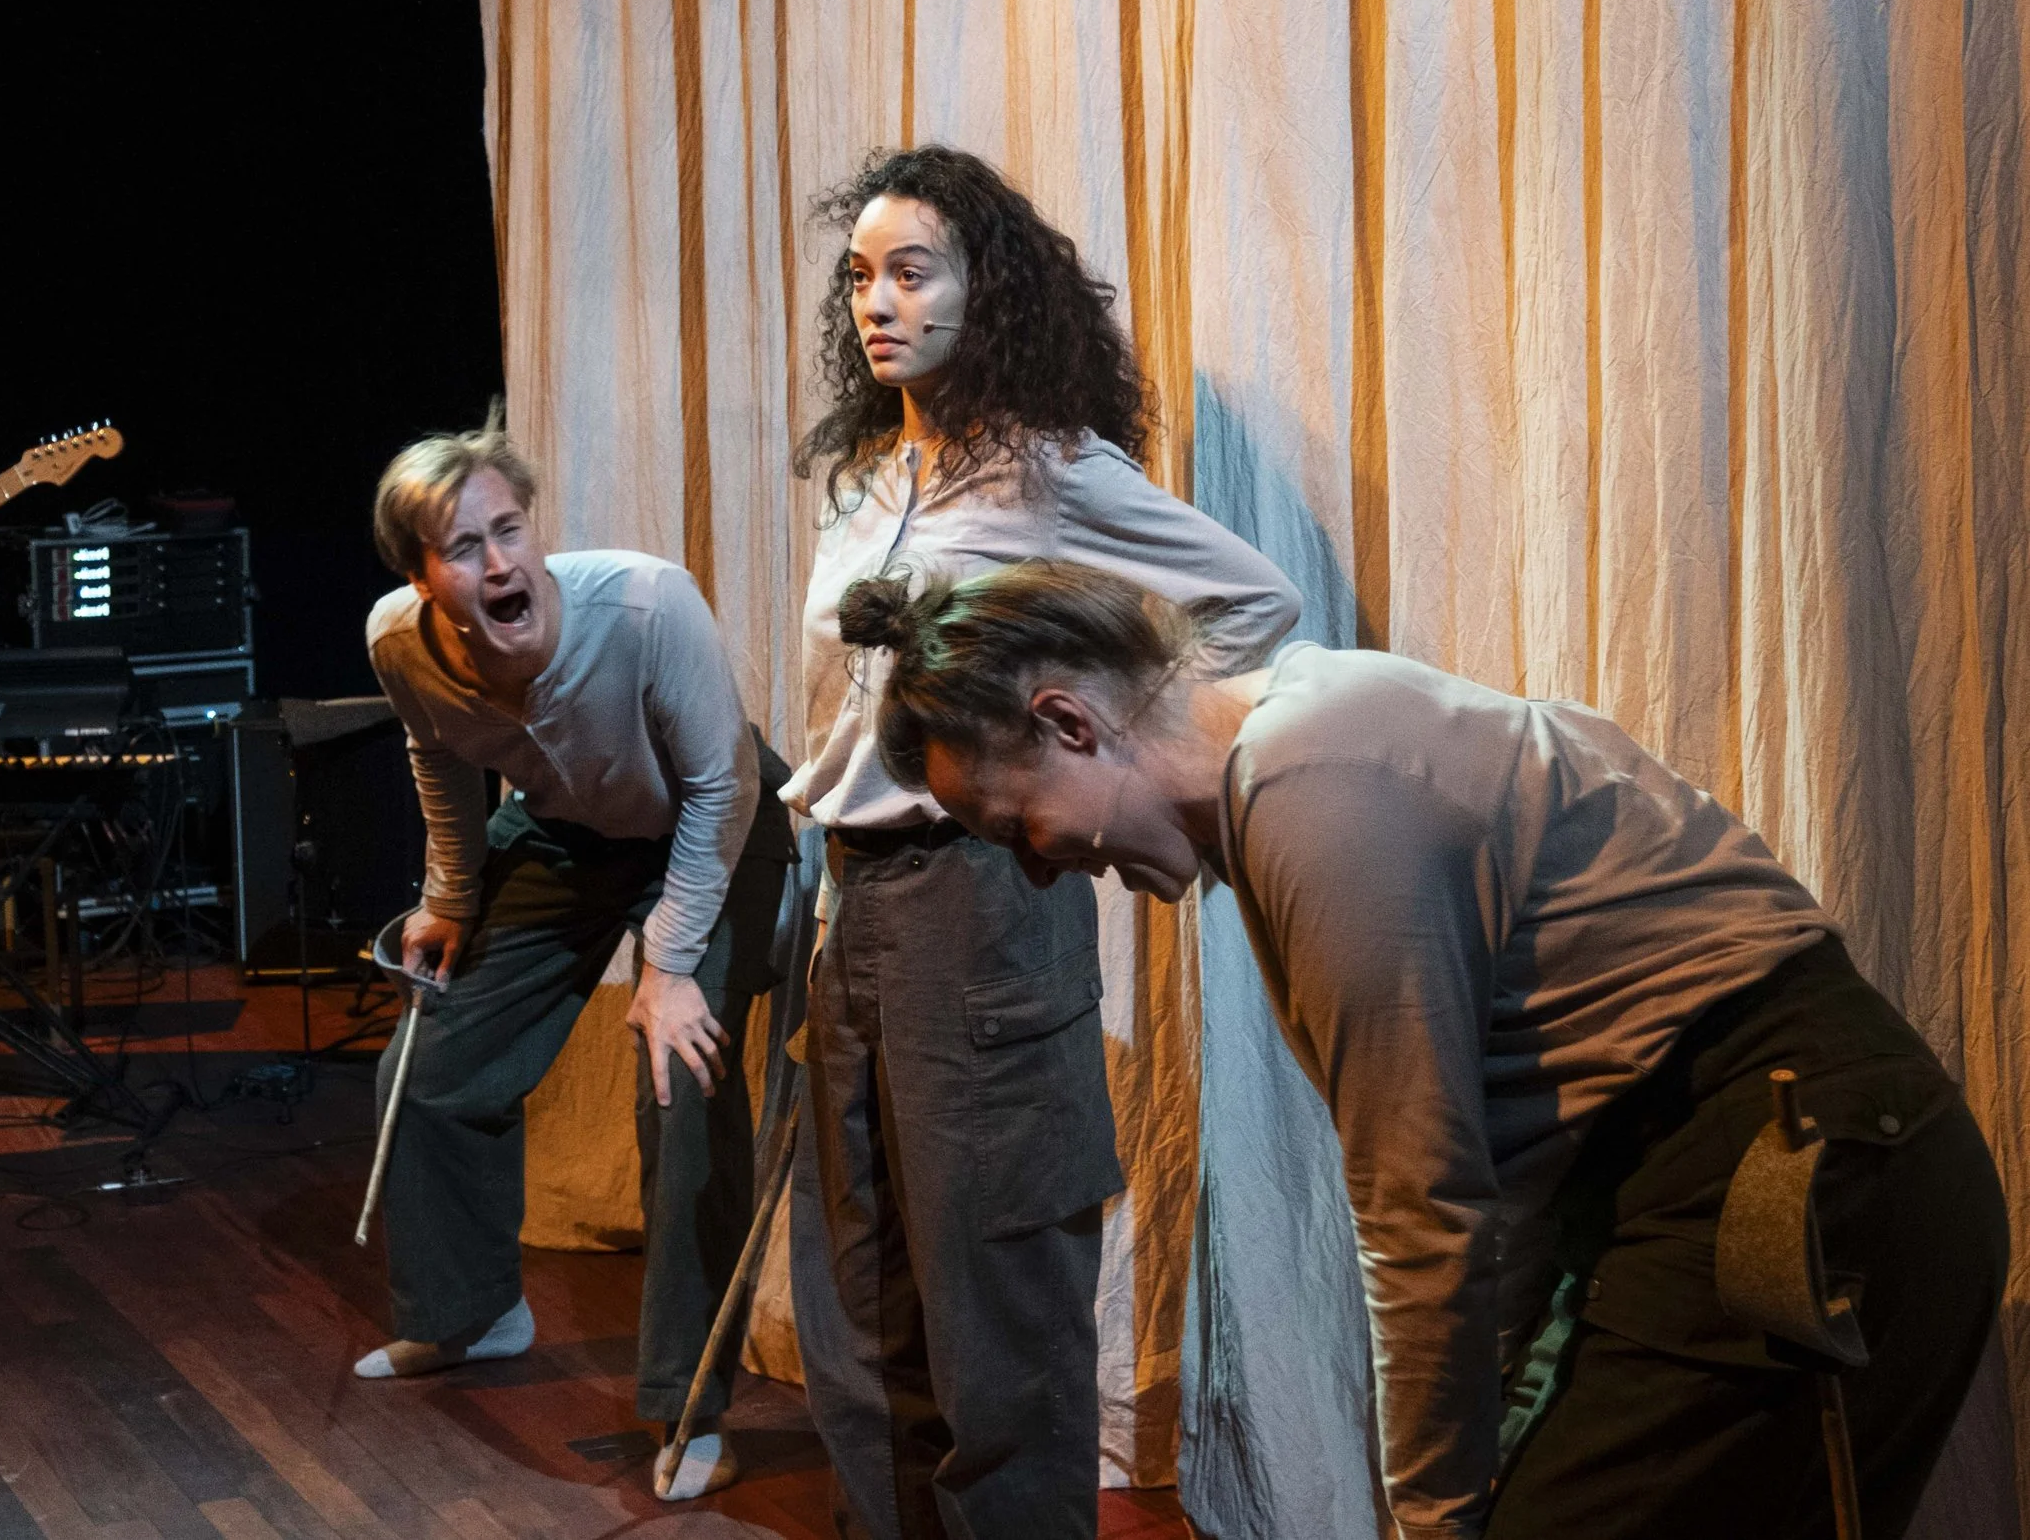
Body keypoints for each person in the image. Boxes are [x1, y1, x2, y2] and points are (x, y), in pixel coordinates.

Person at [841, 558, 2009, 1540]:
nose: (1041, 866)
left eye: (1016, 826)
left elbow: (1425, 1210)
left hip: (1805, 1168)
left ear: (1068, 719)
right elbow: (1500, 1181)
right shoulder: (1302, 743)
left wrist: (1437, 1519)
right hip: (1746, 1159)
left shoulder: (1315, 786)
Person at [781, 145, 1300, 1538]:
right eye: (860, 276)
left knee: (992, 1283)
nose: (877, 301)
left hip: (980, 895)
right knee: (859, 1284)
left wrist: (1101, 742)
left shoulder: (1051, 471)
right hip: (848, 899)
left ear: (984, 284)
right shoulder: (862, 477)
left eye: (911, 269)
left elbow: (1252, 602)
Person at [357, 414, 795, 1500]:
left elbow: (720, 788)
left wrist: (670, 962)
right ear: (420, 575)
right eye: (465, 548)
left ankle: (689, 1403)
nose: (501, 563)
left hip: (713, 831)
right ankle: (471, 1313)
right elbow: (441, 757)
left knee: (677, 1077)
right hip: (562, 833)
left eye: (509, 529)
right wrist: (448, 898)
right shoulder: (396, 641)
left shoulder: (645, 602)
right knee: (427, 1062)